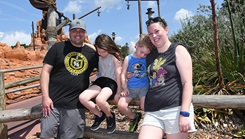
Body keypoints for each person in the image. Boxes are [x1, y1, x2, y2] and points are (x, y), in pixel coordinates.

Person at [138, 17, 196, 139]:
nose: (154, 36)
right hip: (153, 111)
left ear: (166, 30)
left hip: (175, 109)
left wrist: (184, 113)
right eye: (150, 34)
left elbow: (187, 83)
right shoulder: (150, 56)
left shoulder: (178, 50)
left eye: (157, 31)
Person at [40, 19, 98, 139]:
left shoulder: (91, 54)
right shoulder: (57, 48)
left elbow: (107, 67)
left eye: (81, 31)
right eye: (74, 31)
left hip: (75, 106)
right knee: (47, 136)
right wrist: (45, 97)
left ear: (85, 33)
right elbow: (45, 71)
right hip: (52, 104)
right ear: (69, 32)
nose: (78, 34)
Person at [79, 33, 122, 134]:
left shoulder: (114, 57)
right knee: (83, 98)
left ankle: (109, 115)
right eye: (99, 51)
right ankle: (99, 115)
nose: (102, 54)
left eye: (104, 51)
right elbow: (89, 45)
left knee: (100, 100)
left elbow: (118, 73)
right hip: (100, 80)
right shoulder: (97, 52)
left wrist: (118, 92)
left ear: (109, 47)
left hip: (111, 82)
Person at [117, 34, 154, 133]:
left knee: (143, 106)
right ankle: (134, 117)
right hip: (131, 88)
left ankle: (151, 126)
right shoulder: (128, 59)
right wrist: (124, 88)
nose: (142, 56)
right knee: (121, 105)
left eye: (145, 54)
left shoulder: (147, 59)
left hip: (144, 87)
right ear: (137, 45)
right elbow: (123, 74)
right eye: (141, 52)